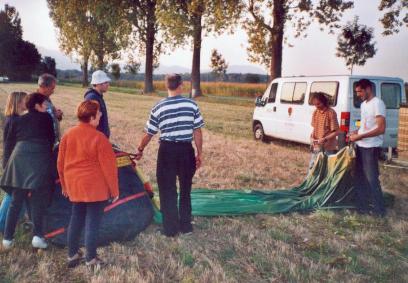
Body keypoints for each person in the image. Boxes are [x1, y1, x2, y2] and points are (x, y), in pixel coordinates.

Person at [135, 74, 204, 237]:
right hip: (186, 150)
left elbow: (149, 133)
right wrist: (199, 153)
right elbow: (197, 131)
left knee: (167, 190)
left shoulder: (159, 106)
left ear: (167, 86)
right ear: (181, 85)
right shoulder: (192, 105)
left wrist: (140, 149)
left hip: (167, 151)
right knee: (186, 189)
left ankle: (170, 228)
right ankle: (186, 226)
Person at [57, 100, 119, 268]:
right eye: (98, 113)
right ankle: (91, 259)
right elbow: (109, 168)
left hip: (75, 186)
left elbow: (60, 164)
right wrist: (114, 191)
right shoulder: (100, 138)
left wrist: (64, 185)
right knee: (93, 222)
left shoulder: (68, 135)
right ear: (91, 117)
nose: (100, 115)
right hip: (95, 188)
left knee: (76, 219)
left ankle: (72, 255)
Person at [1, 93, 55, 249]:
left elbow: (10, 143)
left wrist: (8, 165)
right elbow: (51, 140)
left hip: (19, 158)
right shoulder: (46, 118)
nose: (46, 107)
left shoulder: (18, 120)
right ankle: (38, 236)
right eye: (44, 104)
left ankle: (7, 239)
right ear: (37, 105)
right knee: (38, 200)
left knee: (16, 200)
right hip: (39, 156)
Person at [350, 78, 386, 217]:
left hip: (371, 147)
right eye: (357, 92)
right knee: (359, 177)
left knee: (371, 178)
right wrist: (356, 132)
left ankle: (379, 210)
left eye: (360, 91)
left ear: (368, 89)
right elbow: (365, 125)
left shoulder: (378, 103)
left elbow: (381, 128)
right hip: (361, 145)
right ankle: (362, 206)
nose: (358, 94)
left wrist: (360, 136)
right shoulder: (364, 104)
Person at [0, 92, 27, 233]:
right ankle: (2, 223)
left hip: (11, 161)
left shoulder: (11, 119)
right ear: (17, 103)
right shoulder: (16, 121)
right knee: (13, 195)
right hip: (13, 163)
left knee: (17, 193)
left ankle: (14, 221)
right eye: (24, 100)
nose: (26, 103)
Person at [309, 92, 340, 170]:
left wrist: (325, 139)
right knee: (313, 167)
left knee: (326, 169)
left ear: (324, 102)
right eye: (315, 104)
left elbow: (336, 132)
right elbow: (314, 128)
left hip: (328, 147)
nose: (316, 106)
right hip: (317, 145)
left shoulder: (331, 113)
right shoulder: (315, 112)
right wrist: (312, 137)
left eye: (318, 104)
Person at [37, 73, 63, 146]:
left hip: (52, 141)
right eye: (52, 88)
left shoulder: (46, 98)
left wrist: (57, 115)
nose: (53, 91)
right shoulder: (36, 102)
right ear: (44, 87)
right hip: (45, 143)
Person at [84, 70, 111, 138]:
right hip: (96, 139)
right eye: (105, 82)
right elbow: (90, 121)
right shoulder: (92, 97)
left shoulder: (98, 97)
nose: (108, 84)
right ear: (98, 83)